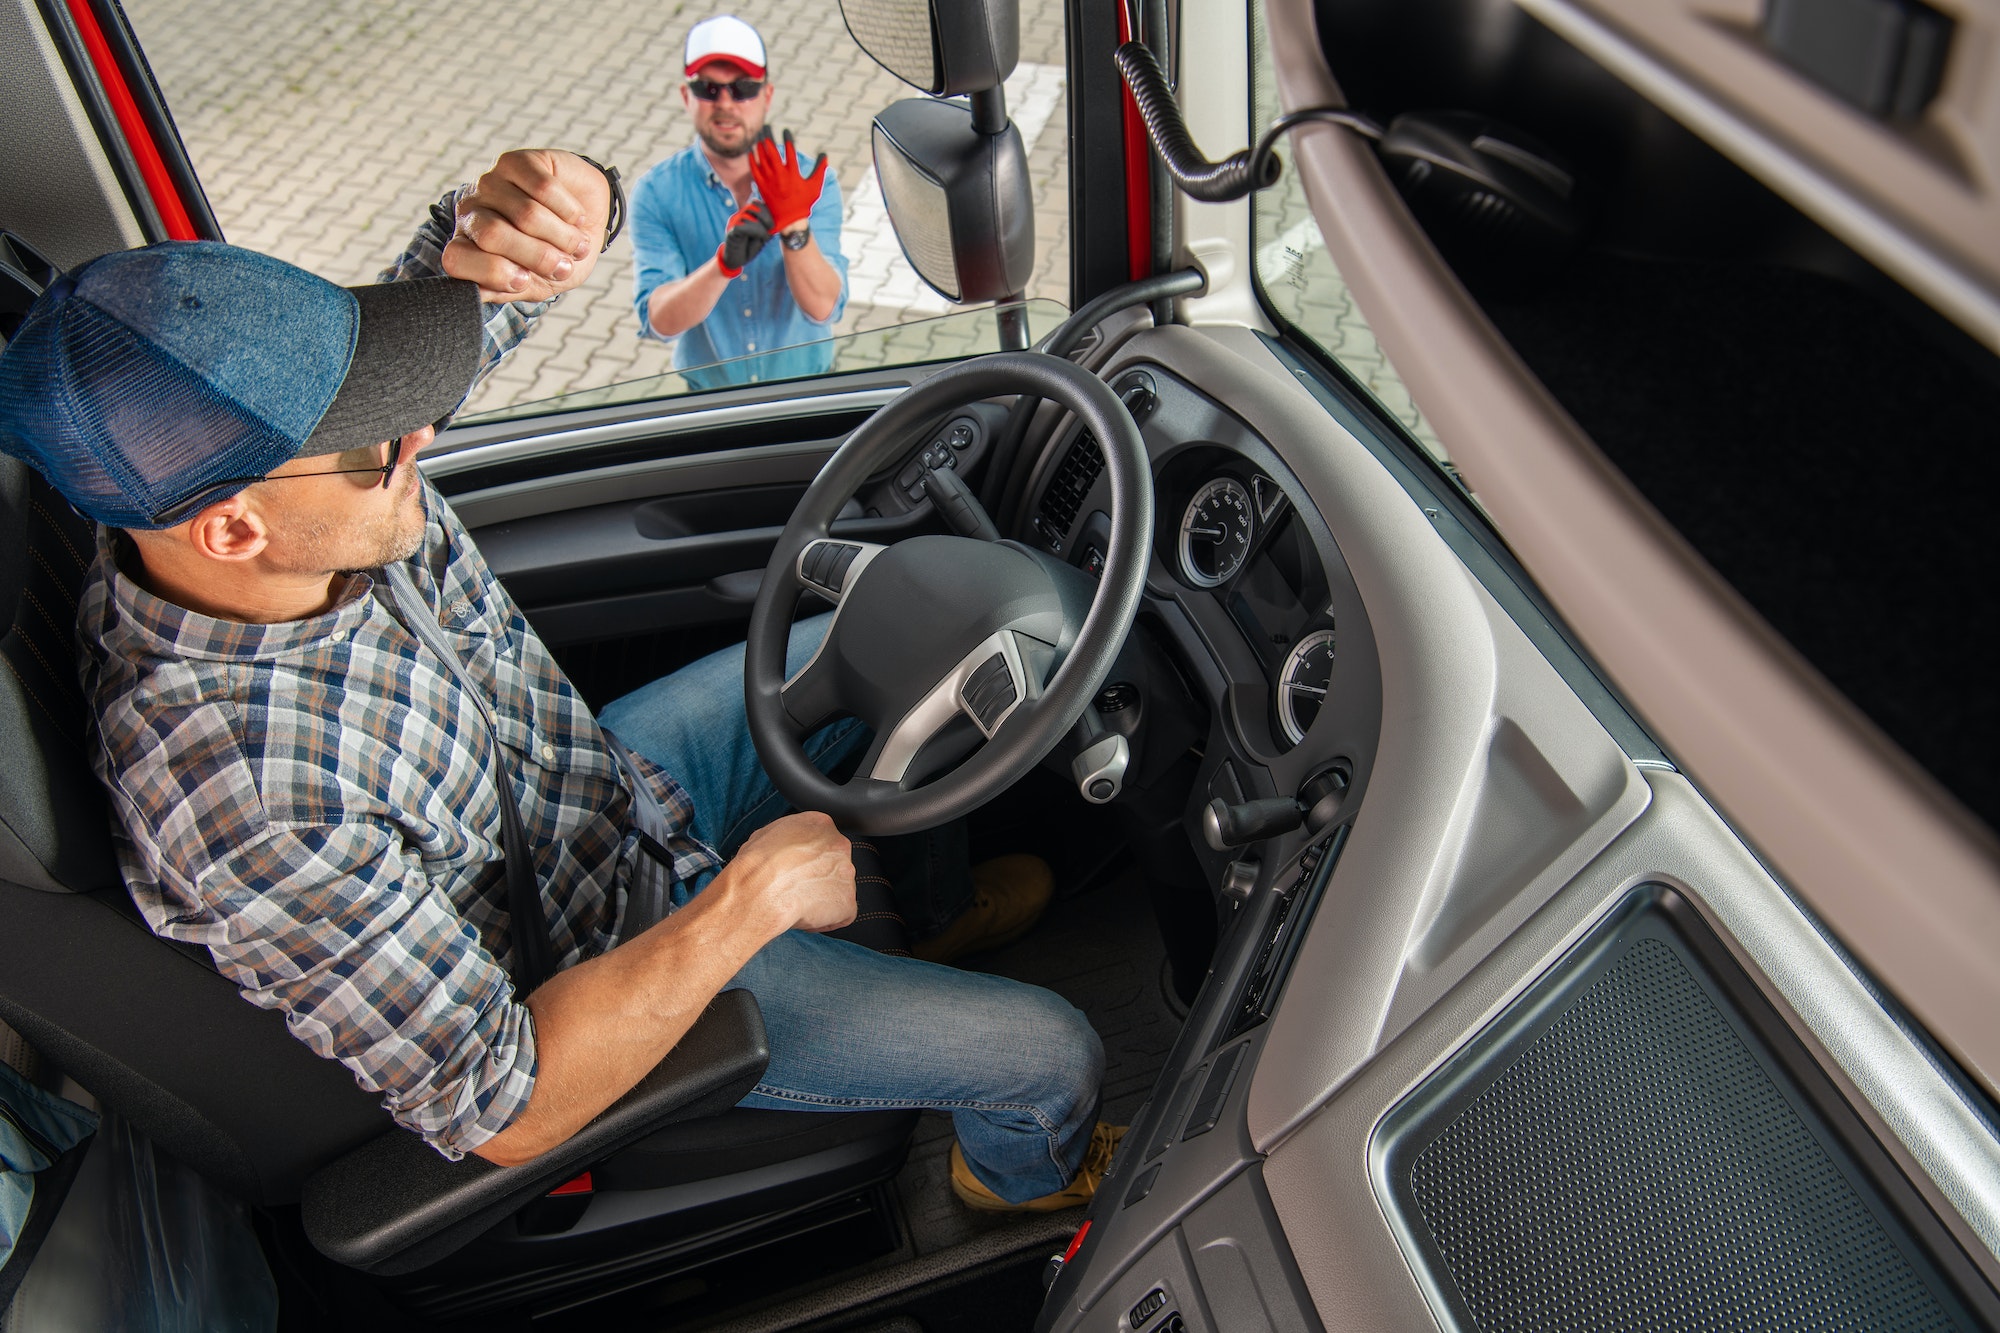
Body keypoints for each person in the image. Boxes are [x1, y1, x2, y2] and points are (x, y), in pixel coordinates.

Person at [0, 149, 1120, 1212]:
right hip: (600, 965)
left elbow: (477, 287)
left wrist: (567, 199)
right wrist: (746, 907)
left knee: (876, 640)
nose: (416, 437)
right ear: (232, 529)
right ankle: (1016, 1179)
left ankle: (925, 920)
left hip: (595, 800)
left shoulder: (297, 492)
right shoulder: (249, 803)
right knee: (1054, 1050)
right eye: (373, 442)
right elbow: (507, 1103)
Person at [630, 16, 847, 388]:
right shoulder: (656, 193)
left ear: (767, 95)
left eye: (743, 88)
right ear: (686, 96)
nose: (726, 104)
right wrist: (722, 266)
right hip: (711, 405)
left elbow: (825, 308)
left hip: (809, 393)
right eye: (708, 89)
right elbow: (660, 322)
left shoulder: (811, 181)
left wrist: (794, 225)